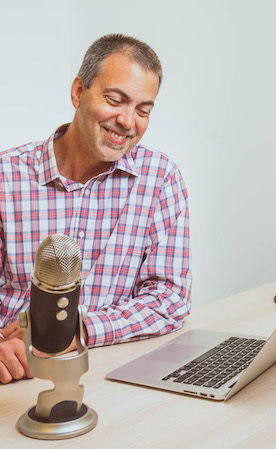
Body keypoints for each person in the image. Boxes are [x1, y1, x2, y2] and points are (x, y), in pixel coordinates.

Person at [0, 34, 192, 384]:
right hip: (18, 373)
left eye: (143, 110)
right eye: (115, 100)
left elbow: (171, 299)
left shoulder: (161, 178)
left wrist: (80, 330)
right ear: (78, 92)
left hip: (112, 368)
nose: (128, 121)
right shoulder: (6, 177)